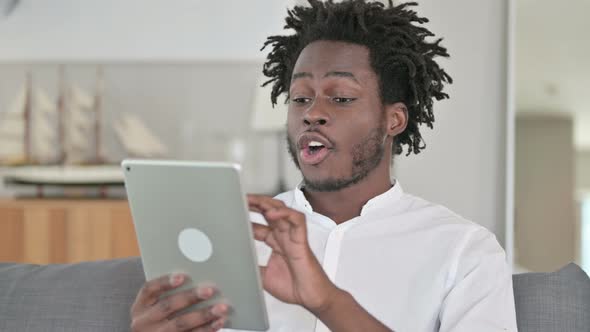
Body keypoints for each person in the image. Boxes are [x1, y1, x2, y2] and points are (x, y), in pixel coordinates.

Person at [129, 1, 518, 331]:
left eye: (342, 98)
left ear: (394, 121)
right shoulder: (234, 239)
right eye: (300, 98)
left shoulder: (464, 251)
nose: (313, 113)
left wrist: (327, 302)